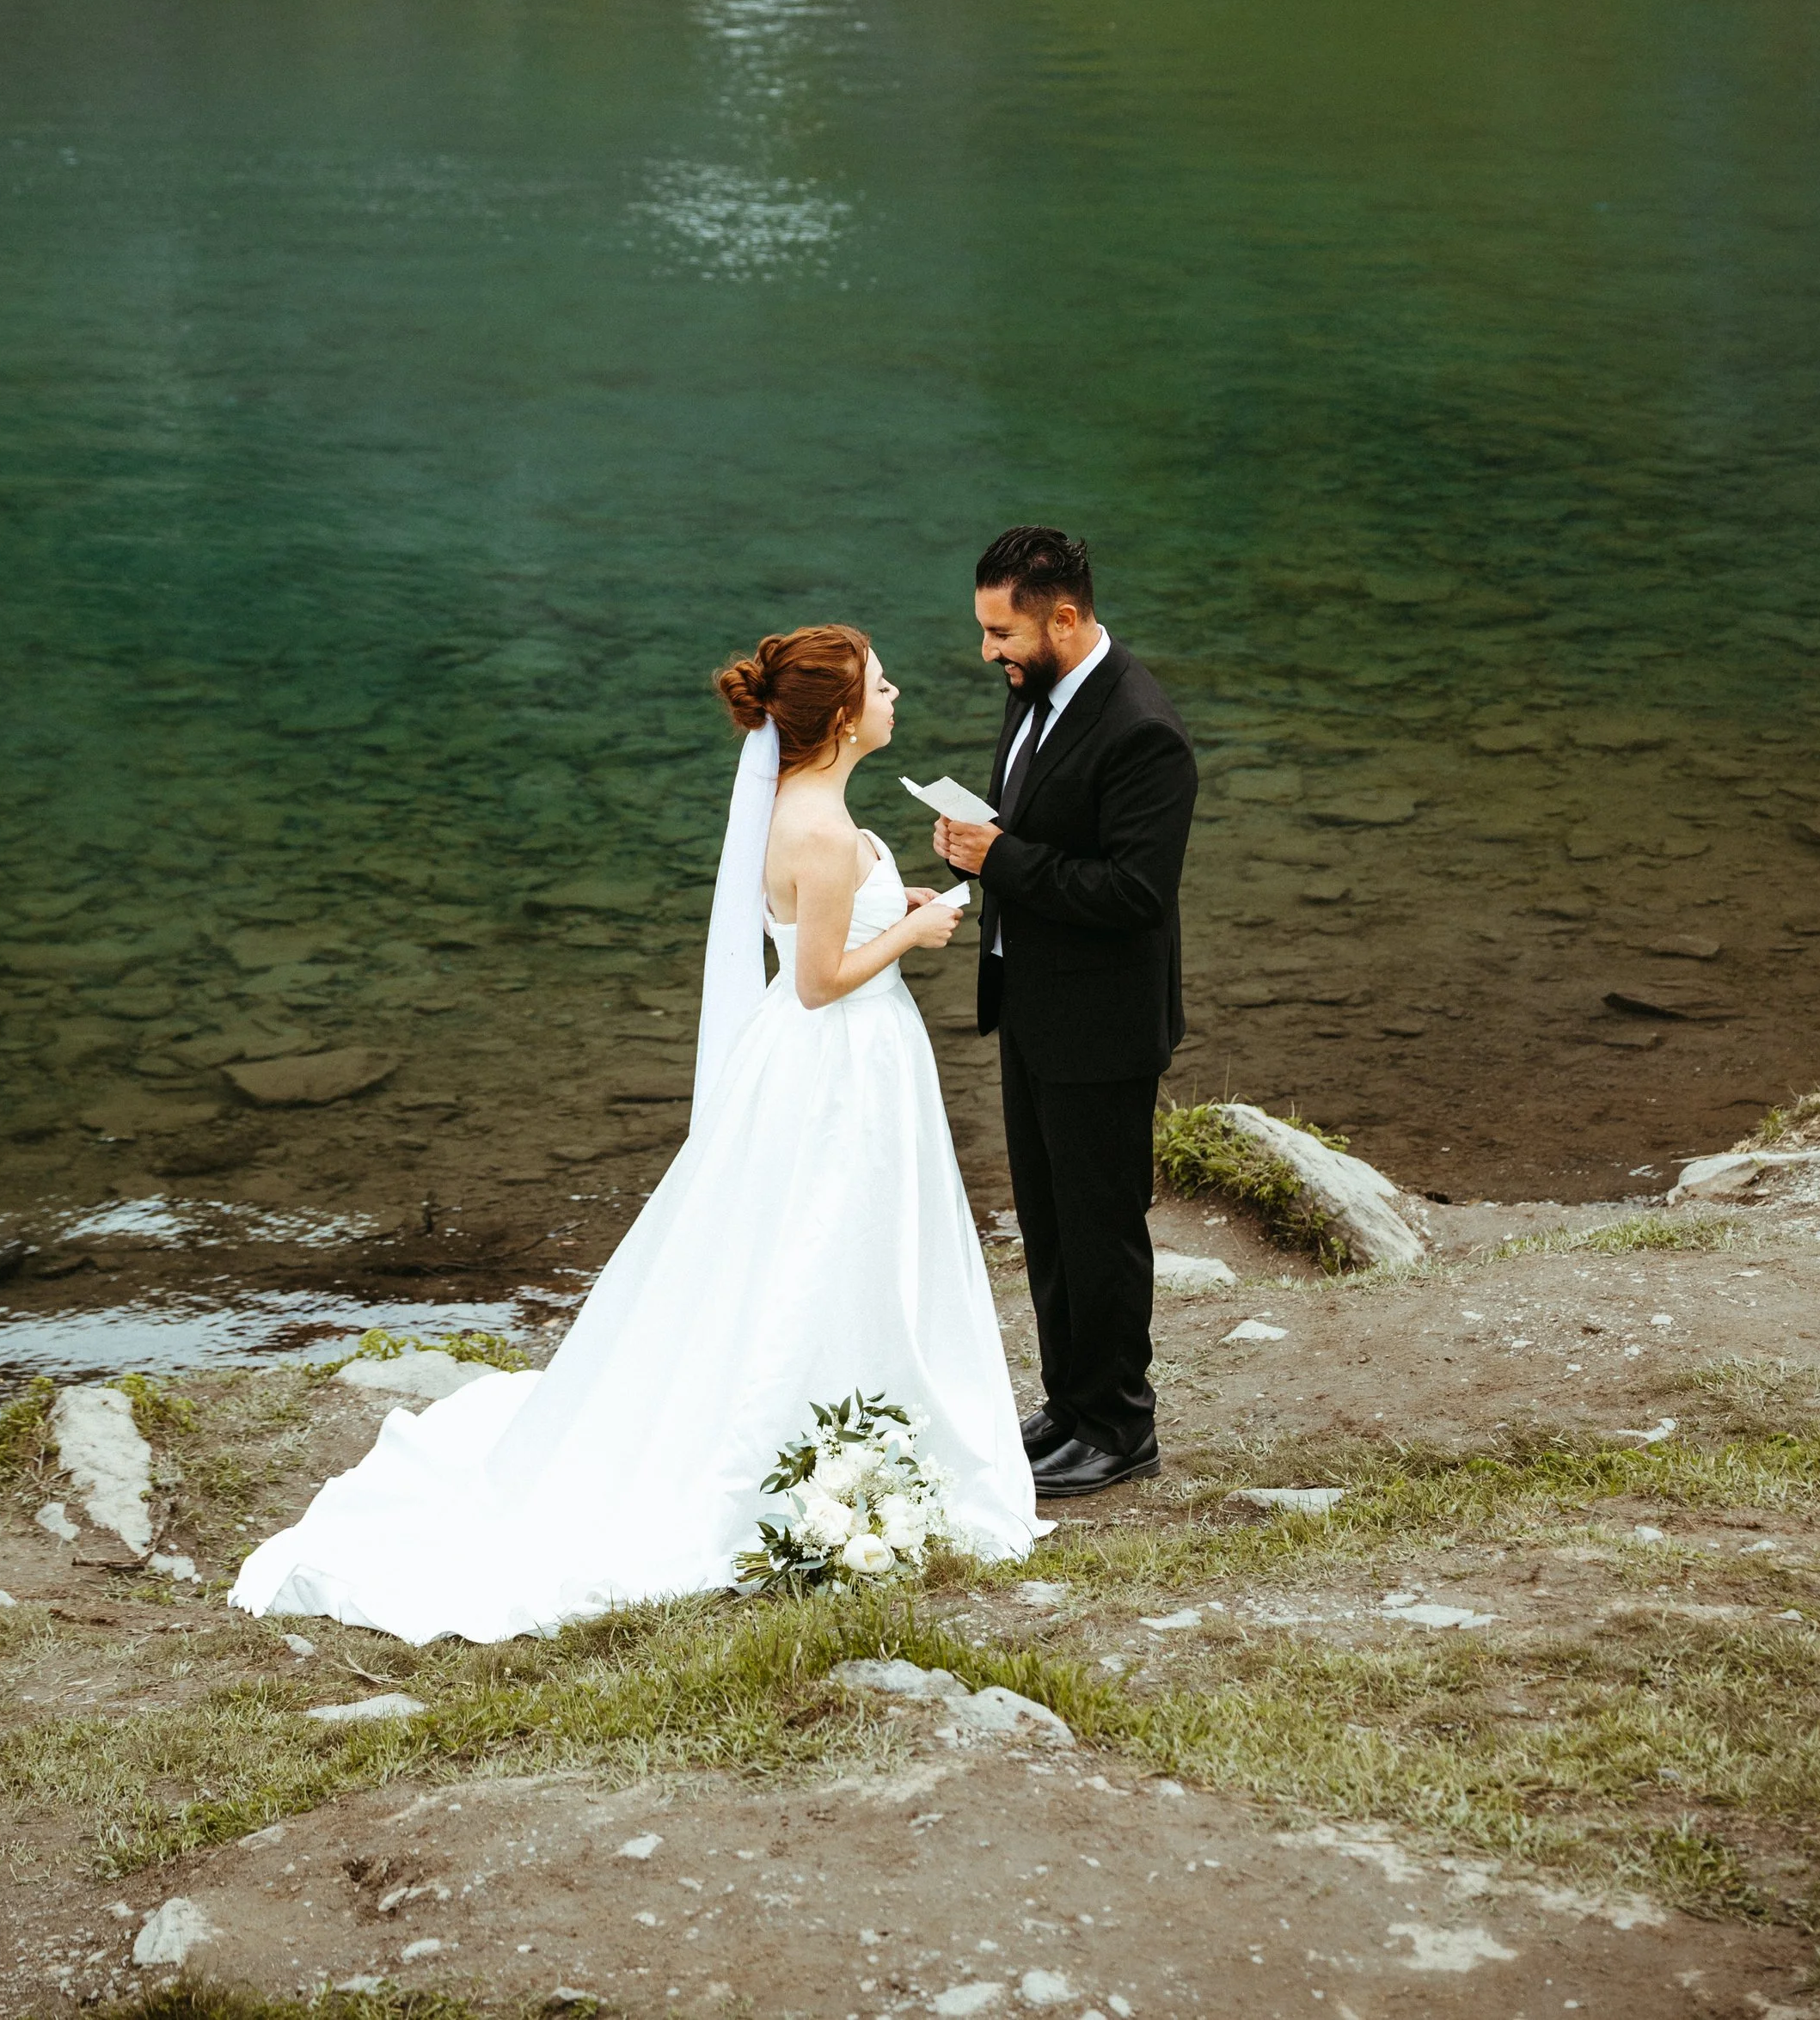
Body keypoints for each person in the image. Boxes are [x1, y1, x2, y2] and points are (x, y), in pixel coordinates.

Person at [231, 624, 1038, 1643]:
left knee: (806, 1239)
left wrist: (895, 900)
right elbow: (819, 978)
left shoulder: (802, 811)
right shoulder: (823, 830)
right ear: (839, 717)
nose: (896, 694)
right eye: (881, 685)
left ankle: (839, 1419)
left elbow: (811, 923)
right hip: (839, 1063)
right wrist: (915, 933)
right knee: (832, 1235)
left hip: (814, 1063)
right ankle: (824, 1430)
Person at [934, 528, 1197, 1501]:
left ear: (1065, 618)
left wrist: (998, 858)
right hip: (1034, 1007)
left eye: (1000, 632)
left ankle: (1121, 1426)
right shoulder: (1033, 696)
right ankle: (1069, 1404)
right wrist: (972, 846)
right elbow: (1032, 826)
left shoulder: (1143, 732)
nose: (988, 651)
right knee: (1047, 1224)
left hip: (1102, 1025)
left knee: (1100, 1227)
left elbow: (1134, 894)